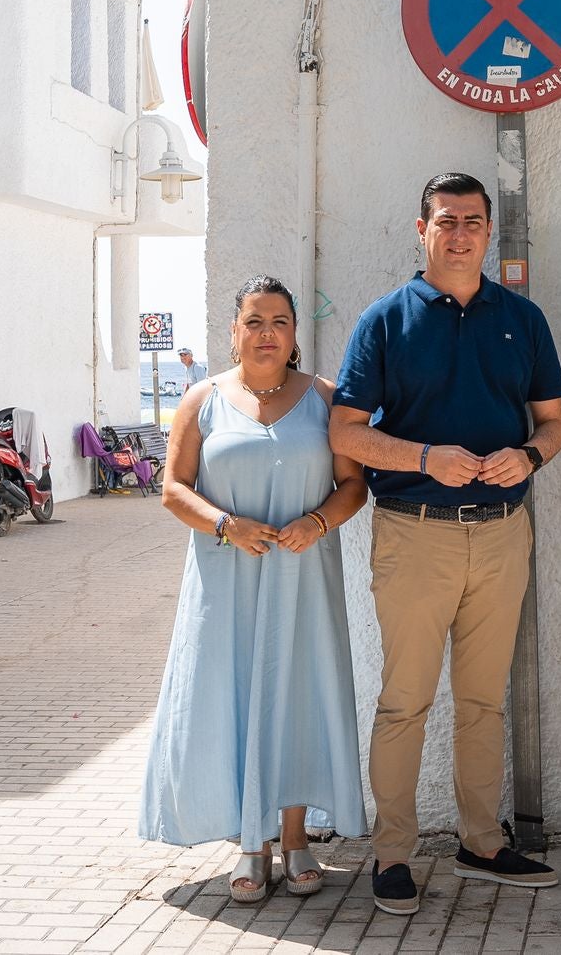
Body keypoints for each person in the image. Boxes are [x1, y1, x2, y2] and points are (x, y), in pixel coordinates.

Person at [330, 172, 561, 916]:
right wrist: (425, 457)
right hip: (414, 535)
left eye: (471, 220)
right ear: (420, 228)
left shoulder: (521, 318)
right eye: (444, 219)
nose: (459, 232)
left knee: (483, 702)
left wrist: (527, 456)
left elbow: (554, 424)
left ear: (488, 231)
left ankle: (481, 843)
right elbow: (345, 431)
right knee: (404, 700)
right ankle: (393, 852)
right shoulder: (384, 321)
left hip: (502, 536)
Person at [140, 277, 370, 903]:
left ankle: (295, 840)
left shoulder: (326, 399)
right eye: (254, 321)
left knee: (297, 693)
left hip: (303, 576)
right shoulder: (202, 399)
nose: (267, 333)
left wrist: (317, 522)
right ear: (234, 330)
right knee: (236, 694)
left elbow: (354, 485)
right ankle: (251, 843)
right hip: (228, 578)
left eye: (280, 322)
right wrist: (225, 525)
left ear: (295, 334)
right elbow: (173, 488)